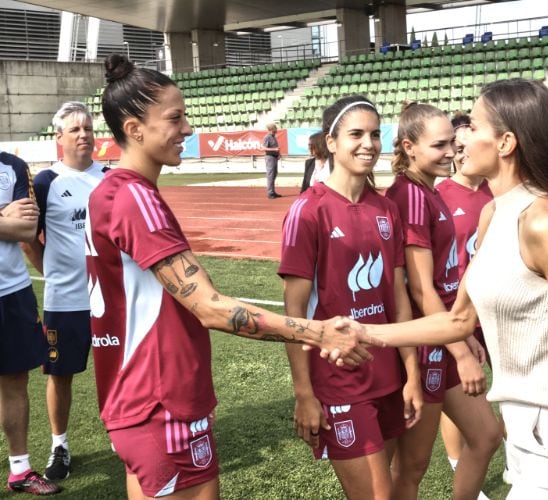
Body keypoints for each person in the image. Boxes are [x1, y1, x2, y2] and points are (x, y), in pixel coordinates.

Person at [88, 54, 374, 499]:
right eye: (176, 118)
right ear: (134, 129)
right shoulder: (134, 199)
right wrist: (318, 333)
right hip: (157, 398)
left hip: (142, 397)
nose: (187, 129)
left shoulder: (109, 191)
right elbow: (210, 308)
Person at [335, 79, 548, 498]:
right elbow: (459, 319)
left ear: (505, 143)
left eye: (473, 126)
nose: (461, 137)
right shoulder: (493, 213)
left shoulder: (544, 223)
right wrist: (367, 333)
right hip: (523, 432)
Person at [280, 95, 422, 499]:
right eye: (356, 134)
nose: (369, 144)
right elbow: (293, 313)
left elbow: (397, 295)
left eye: (376, 134)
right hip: (338, 379)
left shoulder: (385, 209)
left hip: (388, 376)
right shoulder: (308, 211)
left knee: (389, 491)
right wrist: (305, 394)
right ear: (331, 142)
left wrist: (410, 371)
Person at [385, 102, 501, 500]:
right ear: (409, 147)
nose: (452, 152)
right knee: (411, 467)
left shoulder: (426, 191)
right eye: (440, 145)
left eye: (453, 142)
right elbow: (420, 289)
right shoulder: (412, 196)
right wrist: (461, 351)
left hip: (444, 337)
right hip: (426, 343)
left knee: (486, 435)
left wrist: (462, 337)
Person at [21, 102, 108, 482]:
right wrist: (53, 272)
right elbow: (27, 239)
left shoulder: (110, 177)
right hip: (65, 300)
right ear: (59, 137)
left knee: (118, 369)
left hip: (108, 299)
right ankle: (60, 444)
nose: (84, 134)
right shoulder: (44, 183)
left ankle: (123, 434)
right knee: (60, 374)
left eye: (88, 128)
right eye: (75, 129)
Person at [435, 112, 495, 477]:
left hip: (493, 306)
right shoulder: (439, 195)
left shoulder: (495, 192)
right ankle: (459, 465)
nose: (462, 150)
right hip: (456, 309)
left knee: (498, 385)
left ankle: (512, 462)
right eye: (456, 146)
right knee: (461, 391)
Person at [0, 151, 62, 495]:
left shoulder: (12, 166)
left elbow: (26, 229)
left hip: (12, 291)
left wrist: (13, 222)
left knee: (15, 379)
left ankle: (20, 470)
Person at [262, 123, 281, 199]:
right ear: (272, 129)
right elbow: (264, 148)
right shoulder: (267, 137)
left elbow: (276, 147)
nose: (276, 129)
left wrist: (278, 154)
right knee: (270, 175)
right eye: (275, 128)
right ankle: (270, 193)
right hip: (270, 157)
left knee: (274, 174)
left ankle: (273, 191)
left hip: (274, 157)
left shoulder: (273, 137)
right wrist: (274, 150)